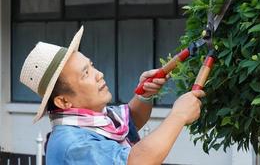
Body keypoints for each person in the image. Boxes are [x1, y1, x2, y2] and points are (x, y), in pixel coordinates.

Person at [19, 26, 205, 164]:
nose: (98, 74)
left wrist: (145, 94)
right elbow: (137, 161)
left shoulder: (92, 121)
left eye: (91, 66)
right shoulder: (72, 144)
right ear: (64, 101)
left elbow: (130, 120)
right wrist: (178, 115)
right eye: (85, 73)